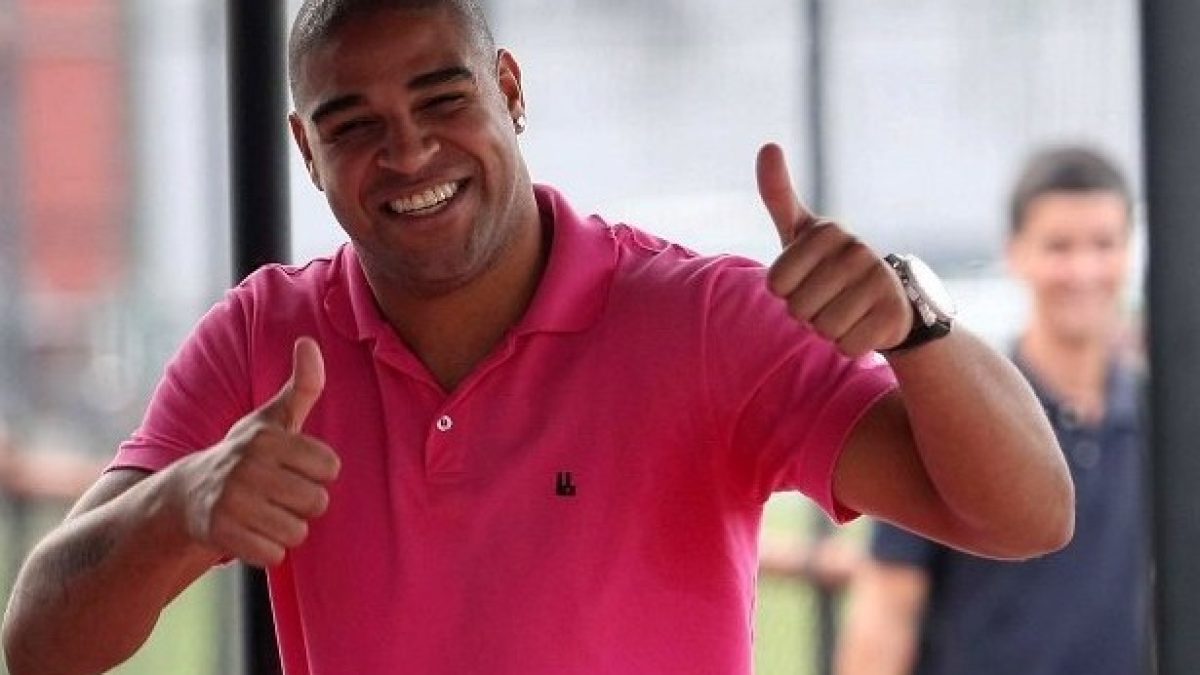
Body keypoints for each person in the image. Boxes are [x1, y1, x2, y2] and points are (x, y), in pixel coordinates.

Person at [1, 2, 1073, 673]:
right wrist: (180, 507)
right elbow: (39, 641)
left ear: (509, 91)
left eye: (442, 99)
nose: (408, 152)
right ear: (305, 150)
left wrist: (916, 325)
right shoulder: (263, 335)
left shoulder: (701, 319)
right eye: (352, 124)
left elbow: (1027, 515)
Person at [835, 146, 1149, 675]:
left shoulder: (1159, 418)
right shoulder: (962, 416)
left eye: (1103, 244)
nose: (1083, 269)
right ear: (1016, 253)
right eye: (1059, 247)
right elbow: (888, 608)